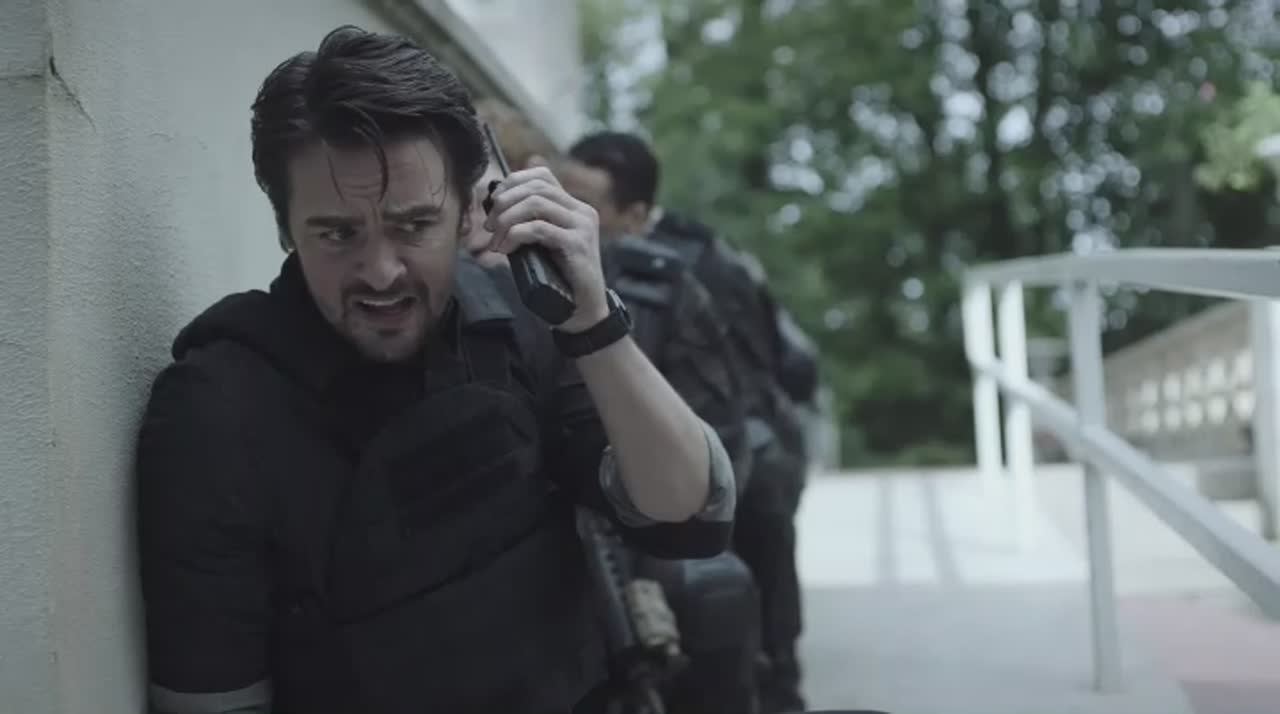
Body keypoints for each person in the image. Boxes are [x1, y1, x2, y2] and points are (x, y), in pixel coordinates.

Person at [134, 26, 738, 714]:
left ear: (470, 212)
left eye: (413, 225)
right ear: (285, 228)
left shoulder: (519, 325)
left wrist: (593, 321)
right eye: (337, 233)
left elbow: (687, 511)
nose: (380, 271)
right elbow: (212, 698)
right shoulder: (219, 410)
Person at [468, 102, 761, 714]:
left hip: (640, 523)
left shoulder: (652, 285)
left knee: (716, 589)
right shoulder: (439, 299)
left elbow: (711, 458)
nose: (484, 227)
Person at [563, 130, 814, 713]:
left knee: (739, 547)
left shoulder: (692, 272)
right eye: (561, 192)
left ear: (635, 216)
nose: (567, 213)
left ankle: (777, 677)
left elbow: (737, 400)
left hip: (734, 435)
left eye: (586, 205)